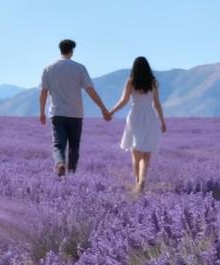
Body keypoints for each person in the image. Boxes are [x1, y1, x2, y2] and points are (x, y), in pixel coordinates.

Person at [39, 39, 112, 176]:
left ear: (60, 50)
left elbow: (43, 92)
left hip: (57, 113)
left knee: (58, 145)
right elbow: (90, 90)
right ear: (72, 51)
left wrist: (42, 112)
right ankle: (72, 174)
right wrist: (103, 108)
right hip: (75, 113)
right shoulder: (79, 68)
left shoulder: (48, 68)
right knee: (74, 146)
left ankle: (60, 163)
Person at [108, 56, 166, 191]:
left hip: (135, 117)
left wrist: (111, 112)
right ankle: (142, 180)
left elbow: (123, 101)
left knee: (135, 152)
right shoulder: (153, 82)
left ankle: (137, 181)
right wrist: (162, 121)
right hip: (149, 117)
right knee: (147, 153)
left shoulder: (131, 81)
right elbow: (156, 103)